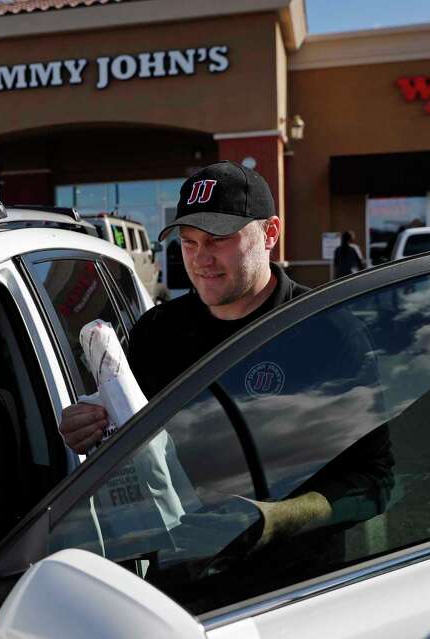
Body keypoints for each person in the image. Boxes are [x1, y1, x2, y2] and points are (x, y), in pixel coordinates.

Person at [60, 160, 392, 549]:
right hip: (180, 567)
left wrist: (270, 521)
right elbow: (136, 449)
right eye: (189, 241)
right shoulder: (157, 333)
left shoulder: (326, 330)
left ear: (270, 233)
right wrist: (91, 429)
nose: (201, 258)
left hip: (296, 576)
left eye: (219, 238)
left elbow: (373, 481)